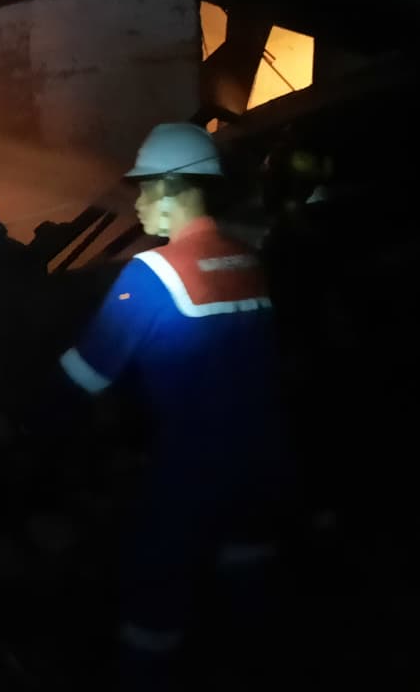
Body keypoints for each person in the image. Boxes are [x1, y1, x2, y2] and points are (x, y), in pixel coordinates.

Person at [57, 122, 291, 689]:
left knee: (153, 617)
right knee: (248, 609)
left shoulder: (152, 274)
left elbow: (84, 376)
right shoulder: (248, 262)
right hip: (262, 470)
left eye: (143, 187)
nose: (136, 202)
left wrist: (20, 425)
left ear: (171, 187)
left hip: (189, 476)